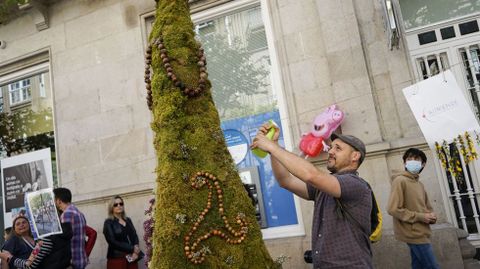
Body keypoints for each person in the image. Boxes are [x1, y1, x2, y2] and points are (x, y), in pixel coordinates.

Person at [251, 122, 373, 268]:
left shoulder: (355, 184)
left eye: (338, 148)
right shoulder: (324, 187)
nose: (331, 151)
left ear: (355, 156)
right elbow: (286, 180)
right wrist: (273, 145)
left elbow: (311, 175)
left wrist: (271, 146)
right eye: (332, 147)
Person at [387, 148, 439, 269]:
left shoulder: (419, 184)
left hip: (422, 231)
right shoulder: (400, 181)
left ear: (423, 164)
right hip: (414, 234)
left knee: (418, 266)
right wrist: (421, 217)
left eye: (416, 159)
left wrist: (431, 216)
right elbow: (393, 208)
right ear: (405, 163)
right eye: (409, 159)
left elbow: (427, 208)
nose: (412, 161)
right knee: (432, 266)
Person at [1, 221, 72, 269]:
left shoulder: (44, 241)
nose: (22, 225)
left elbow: (29, 265)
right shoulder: (62, 233)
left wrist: (9, 258)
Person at [103, 196, 142, 269]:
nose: (119, 206)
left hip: (132, 257)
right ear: (111, 207)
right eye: (115, 204)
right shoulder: (108, 223)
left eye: (121, 204)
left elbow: (134, 235)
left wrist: (136, 249)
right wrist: (132, 248)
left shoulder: (128, 220)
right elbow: (112, 242)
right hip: (117, 259)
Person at [53, 188, 87, 269]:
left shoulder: (67, 214)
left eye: (53, 199)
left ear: (58, 201)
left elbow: (64, 239)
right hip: (79, 259)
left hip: (71, 262)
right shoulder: (78, 212)